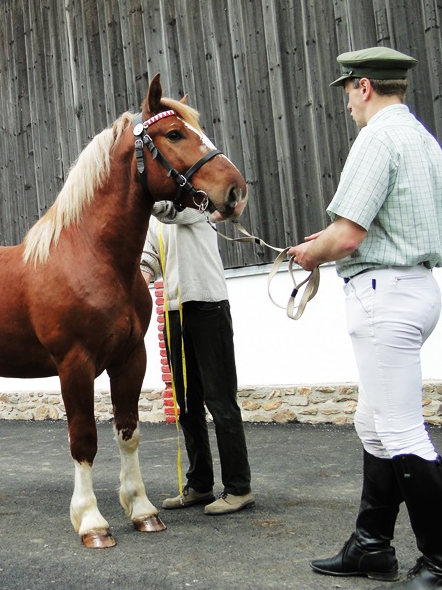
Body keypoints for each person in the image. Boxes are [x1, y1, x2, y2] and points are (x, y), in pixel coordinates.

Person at [289, 47, 442, 589]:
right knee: (373, 424)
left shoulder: (376, 138)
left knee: (400, 428)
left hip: (384, 294)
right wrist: (326, 241)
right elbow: (375, 224)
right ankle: (371, 547)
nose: (348, 103)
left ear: (364, 86)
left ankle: (439, 562)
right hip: (413, 286)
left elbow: (349, 235)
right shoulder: (421, 137)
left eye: (348, 90)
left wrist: (310, 253)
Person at [140, 206, 254, 515]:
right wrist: (138, 281)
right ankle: (200, 484)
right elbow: (149, 257)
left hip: (208, 304)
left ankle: (239, 488)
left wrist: (143, 194)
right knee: (186, 403)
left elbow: (172, 213)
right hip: (174, 310)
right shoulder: (156, 217)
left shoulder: (192, 203)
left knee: (220, 400)